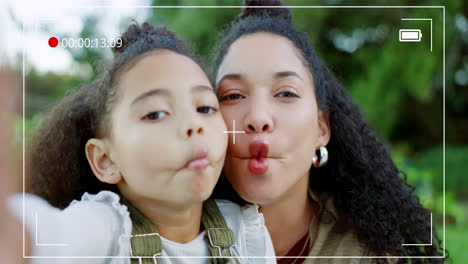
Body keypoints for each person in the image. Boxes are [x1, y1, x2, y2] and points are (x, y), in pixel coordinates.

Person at [8, 22, 274, 264]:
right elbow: (43, 237)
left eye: (204, 108)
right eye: (156, 113)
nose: (194, 124)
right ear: (106, 160)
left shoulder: (242, 228)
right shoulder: (104, 230)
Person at [211, 1, 444, 263]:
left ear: (321, 130)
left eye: (286, 93)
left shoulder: (368, 254)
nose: (258, 118)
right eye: (233, 95)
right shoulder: (172, 242)